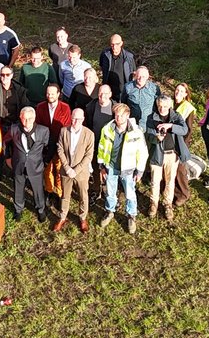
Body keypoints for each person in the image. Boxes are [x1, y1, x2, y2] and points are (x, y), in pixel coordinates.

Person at [96, 102, 148, 233]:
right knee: (110, 191)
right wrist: (101, 165)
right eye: (116, 115)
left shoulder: (136, 132)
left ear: (127, 115)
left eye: (121, 115)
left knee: (130, 193)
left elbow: (143, 152)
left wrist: (140, 170)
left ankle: (131, 215)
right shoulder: (107, 129)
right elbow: (101, 147)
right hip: (111, 166)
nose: (118, 118)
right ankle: (110, 211)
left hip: (128, 168)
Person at [143, 93, 189, 221]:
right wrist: (156, 138)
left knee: (170, 180)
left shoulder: (176, 117)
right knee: (155, 180)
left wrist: (170, 126)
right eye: (159, 106)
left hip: (171, 154)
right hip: (157, 154)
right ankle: (154, 203)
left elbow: (184, 130)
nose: (162, 109)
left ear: (170, 106)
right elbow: (148, 135)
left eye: (164, 106)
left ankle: (167, 203)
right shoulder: (151, 118)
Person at [6, 106, 49, 221]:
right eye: (24, 119)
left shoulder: (43, 131)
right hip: (19, 165)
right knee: (18, 188)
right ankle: (18, 209)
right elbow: (5, 143)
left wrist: (43, 162)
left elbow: (47, 148)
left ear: (34, 118)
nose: (27, 122)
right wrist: (8, 158)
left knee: (38, 189)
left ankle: (40, 209)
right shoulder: (14, 129)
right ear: (20, 118)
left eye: (30, 119)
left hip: (35, 166)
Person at [54, 112, 94, 232]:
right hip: (66, 171)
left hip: (81, 173)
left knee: (83, 196)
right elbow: (60, 149)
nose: (75, 121)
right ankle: (62, 217)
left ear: (83, 119)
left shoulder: (89, 134)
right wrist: (66, 168)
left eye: (78, 119)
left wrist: (75, 170)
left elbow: (89, 156)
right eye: (73, 118)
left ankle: (82, 218)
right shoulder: (63, 131)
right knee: (65, 196)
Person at [170, 82, 197, 209]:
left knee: (180, 170)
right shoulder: (171, 103)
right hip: (170, 141)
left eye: (181, 91)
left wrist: (182, 146)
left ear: (186, 94)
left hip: (180, 144)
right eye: (177, 90)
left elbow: (189, 130)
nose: (178, 93)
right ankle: (174, 191)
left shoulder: (188, 108)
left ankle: (184, 194)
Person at [0, 67, 26, 136]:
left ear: (12, 75)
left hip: (15, 124)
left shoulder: (19, 89)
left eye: (7, 74)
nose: (5, 77)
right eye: (2, 75)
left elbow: (25, 106)